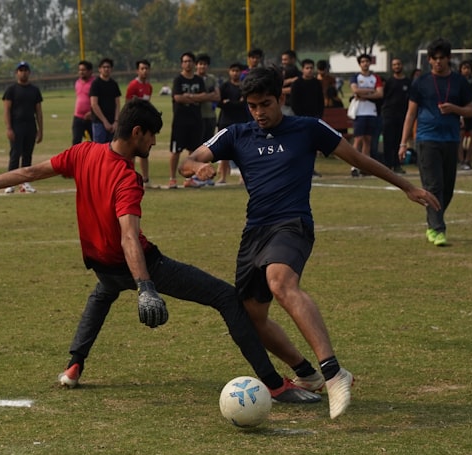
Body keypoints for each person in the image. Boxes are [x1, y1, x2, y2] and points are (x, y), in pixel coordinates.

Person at [0, 98, 320, 405]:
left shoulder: (82, 153)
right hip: (136, 263)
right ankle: (272, 384)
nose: (153, 144)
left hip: (101, 263)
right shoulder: (127, 178)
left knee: (102, 294)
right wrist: (146, 286)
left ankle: (73, 366)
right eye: (151, 137)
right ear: (136, 132)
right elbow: (129, 238)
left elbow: (30, 172)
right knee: (226, 298)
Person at [179, 67, 440, 419]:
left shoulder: (307, 128)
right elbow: (188, 160)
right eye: (253, 106)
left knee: (281, 281)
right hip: (254, 231)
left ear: (281, 99)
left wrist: (407, 186)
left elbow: (358, 158)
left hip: (293, 224)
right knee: (252, 316)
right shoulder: (236, 134)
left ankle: (333, 373)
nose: (259, 112)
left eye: (266, 104)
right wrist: (196, 168)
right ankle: (306, 374)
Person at [399, 38, 472, 247]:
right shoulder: (421, 82)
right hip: (426, 140)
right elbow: (410, 113)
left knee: (447, 189)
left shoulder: (460, 82)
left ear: (449, 59)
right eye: (434, 58)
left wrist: (455, 109)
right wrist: (403, 142)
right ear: (429, 60)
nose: (438, 62)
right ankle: (437, 229)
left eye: (442, 58)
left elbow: (471, 110)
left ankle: (433, 221)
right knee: (434, 186)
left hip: (451, 140)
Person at [169, 52, 209, 188]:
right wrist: (195, 98)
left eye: (190, 61)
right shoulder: (178, 80)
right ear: (182, 63)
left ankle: (188, 179)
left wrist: (189, 96)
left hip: (196, 120)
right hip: (180, 121)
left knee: (193, 151)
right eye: (185, 61)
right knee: (176, 151)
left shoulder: (198, 80)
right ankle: (172, 178)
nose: (188, 64)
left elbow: (205, 96)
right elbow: (178, 98)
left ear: (193, 63)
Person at [3, 61, 43, 194]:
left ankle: (25, 182)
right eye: (21, 70)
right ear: (17, 73)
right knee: (15, 154)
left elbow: (38, 111)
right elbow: (7, 110)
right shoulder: (11, 90)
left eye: (26, 70)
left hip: (30, 125)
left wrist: (40, 130)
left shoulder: (34, 90)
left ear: (29, 72)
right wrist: (9, 128)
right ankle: (10, 182)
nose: (23, 72)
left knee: (27, 155)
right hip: (16, 125)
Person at [349, 53, 384, 176]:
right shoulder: (356, 77)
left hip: (371, 112)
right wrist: (371, 91)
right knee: (358, 139)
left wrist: (363, 95)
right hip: (360, 112)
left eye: (367, 61)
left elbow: (380, 93)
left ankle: (365, 166)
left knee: (368, 140)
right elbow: (355, 90)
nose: (365, 63)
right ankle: (354, 166)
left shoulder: (375, 78)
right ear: (360, 64)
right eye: (362, 61)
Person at [216, 62, 250, 184]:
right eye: (233, 70)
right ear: (229, 72)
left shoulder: (244, 87)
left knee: (241, 151)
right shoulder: (224, 86)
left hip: (240, 121)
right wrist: (231, 103)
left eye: (237, 71)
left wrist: (229, 103)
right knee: (224, 150)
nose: (235, 73)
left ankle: (242, 177)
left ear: (241, 73)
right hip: (225, 121)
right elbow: (219, 102)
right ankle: (223, 177)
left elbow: (243, 104)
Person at [125, 59, 153, 184]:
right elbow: (128, 105)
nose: (145, 71)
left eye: (146, 68)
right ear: (138, 70)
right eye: (142, 68)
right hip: (135, 123)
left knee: (145, 149)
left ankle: (145, 177)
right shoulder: (133, 85)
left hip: (145, 123)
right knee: (133, 151)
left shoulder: (149, 86)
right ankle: (130, 176)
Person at [381, 58, 410, 174]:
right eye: (394, 65)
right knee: (388, 141)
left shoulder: (408, 82)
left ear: (402, 65)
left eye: (398, 64)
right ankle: (387, 166)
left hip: (402, 115)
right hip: (389, 115)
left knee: (399, 141)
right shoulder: (389, 82)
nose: (396, 66)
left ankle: (397, 165)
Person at [89, 58, 121, 144]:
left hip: (113, 122)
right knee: (99, 149)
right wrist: (105, 121)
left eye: (108, 67)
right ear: (100, 69)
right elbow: (94, 104)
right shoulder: (96, 84)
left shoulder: (114, 84)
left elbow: (117, 104)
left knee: (112, 150)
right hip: (99, 123)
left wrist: (116, 121)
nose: (106, 69)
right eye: (104, 67)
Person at [195, 53, 220, 144]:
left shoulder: (212, 78)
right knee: (196, 145)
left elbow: (217, 97)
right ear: (196, 65)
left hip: (211, 116)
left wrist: (202, 97)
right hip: (197, 116)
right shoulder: (193, 79)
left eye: (205, 64)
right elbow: (194, 99)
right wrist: (210, 95)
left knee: (208, 145)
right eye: (200, 64)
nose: (202, 66)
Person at [71, 60, 94, 145]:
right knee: (76, 141)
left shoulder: (94, 83)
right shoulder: (77, 82)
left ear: (90, 71)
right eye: (80, 70)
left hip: (91, 117)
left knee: (95, 142)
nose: (81, 72)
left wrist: (92, 112)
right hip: (78, 117)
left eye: (83, 70)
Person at [280, 50, 301, 116]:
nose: (283, 62)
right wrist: (290, 80)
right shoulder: (280, 72)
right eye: (282, 60)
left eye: (285, 60)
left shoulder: (298, 74)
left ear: (293, 60)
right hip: (282, 105)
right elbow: (275, 85)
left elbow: (295, 89)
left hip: (294, 106)